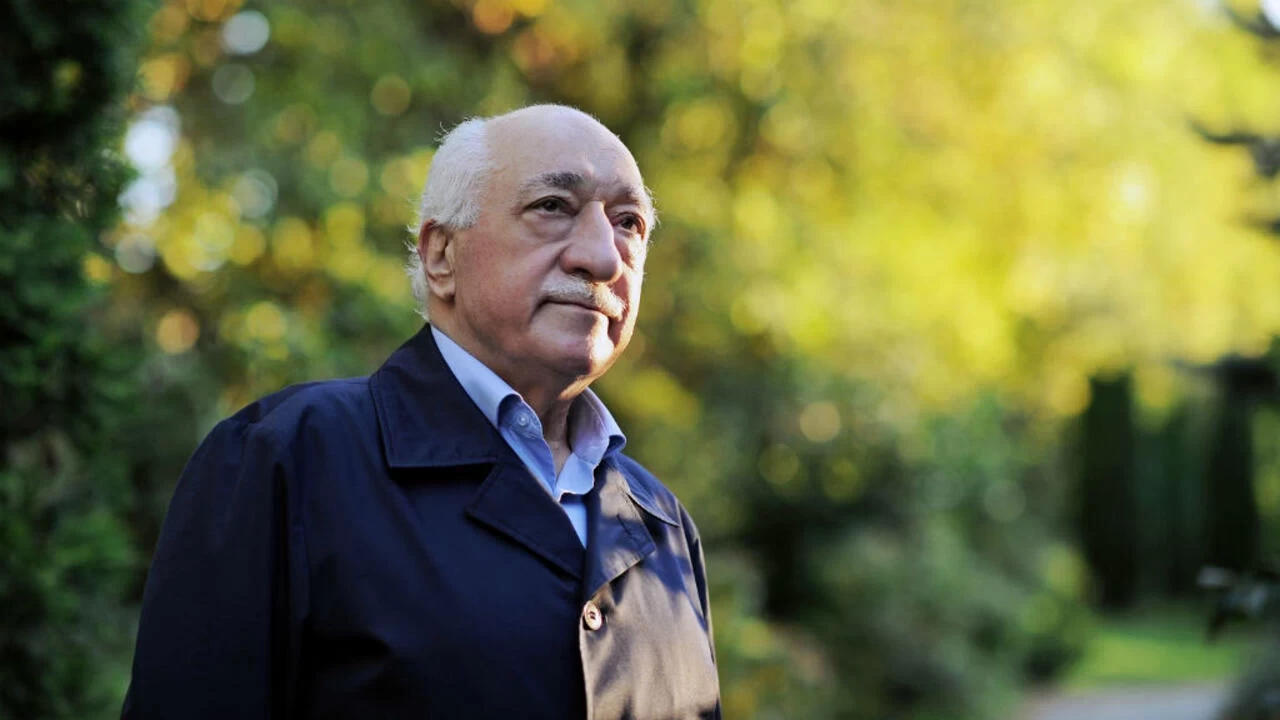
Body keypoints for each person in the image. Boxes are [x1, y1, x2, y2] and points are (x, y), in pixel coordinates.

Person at [122, 104, 721, 719]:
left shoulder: (664, 526)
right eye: (552, 207)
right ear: (441, 255)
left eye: (628, 223)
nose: (603, 256)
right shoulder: (289, 457)